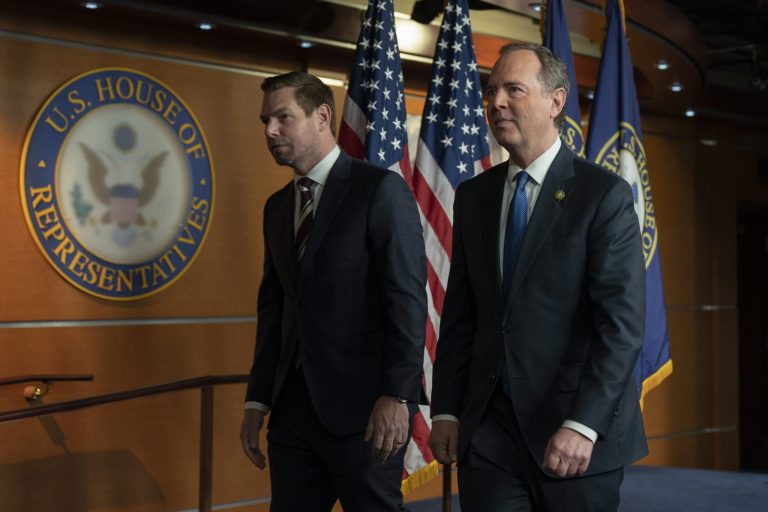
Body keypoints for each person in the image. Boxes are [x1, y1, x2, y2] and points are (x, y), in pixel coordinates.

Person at [429, 43, 648, 511]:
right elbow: (463, 315)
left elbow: (621, 326)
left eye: (514, 90)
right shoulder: (474, 196)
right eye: (492, 91)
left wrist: (583, 423)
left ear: (556, 101)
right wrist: (446, 408)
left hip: (572, 433)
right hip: (489, 433)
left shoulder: (602, 196)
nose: (496, 103)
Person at [240, 71, 427, 511]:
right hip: (292, 416)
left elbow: (406, 301)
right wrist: (257, 400)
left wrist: (398, 395)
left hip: (367, 414)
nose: (270, 130)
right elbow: (275, 311)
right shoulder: (277, 207)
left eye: (283, 117)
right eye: (266, 120)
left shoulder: (380, 190)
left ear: (322, 115)